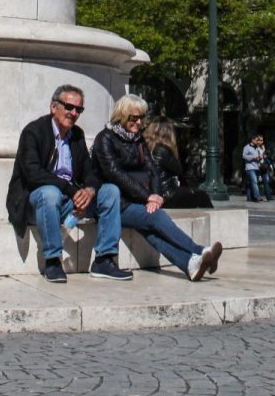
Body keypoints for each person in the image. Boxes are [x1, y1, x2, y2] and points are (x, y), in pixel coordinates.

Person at [1, 83, 123, 283]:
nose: (73, 113)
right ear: (53, 107)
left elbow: (89, 171)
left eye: (78, 109)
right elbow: (33, 173)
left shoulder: (77, 135)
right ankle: (52, 260)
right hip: (37, 201)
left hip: (68, 200)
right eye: (68, 107)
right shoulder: (34, 132)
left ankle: (105, 259)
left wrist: (90, 190)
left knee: (110, 191)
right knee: (50, 193)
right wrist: (71, 189)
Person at [92, 96, 223, 282]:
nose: (139, 122)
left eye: (142, 118)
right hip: (113, 204)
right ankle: (199, 250)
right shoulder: (104, 138)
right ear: (121, 116)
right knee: (156, 217)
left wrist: (155, 195)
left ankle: (190, 264)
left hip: (135, 201)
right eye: (134, 118)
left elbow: (153, 169)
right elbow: (115, 174)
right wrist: (148, 197)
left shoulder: (138, 140)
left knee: (152, 232)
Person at [146, 119, 212, 209]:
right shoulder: (162, 150)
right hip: (167, 194)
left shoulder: (147, 148)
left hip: (154, 192)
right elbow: (178, 170)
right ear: (168, 132)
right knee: (203, 195)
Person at [241, 135, 265, 202]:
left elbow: (260, 156)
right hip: (250, 167)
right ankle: (257, 196)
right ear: (252, 140)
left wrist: (260, 157)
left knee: (253, 183)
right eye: (257, 140)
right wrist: (253, 157)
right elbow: (244, 156)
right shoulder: (246, 147)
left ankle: (250, 197)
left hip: (256, 167)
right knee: (254, 181)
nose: (258, 141)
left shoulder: (257, 148)